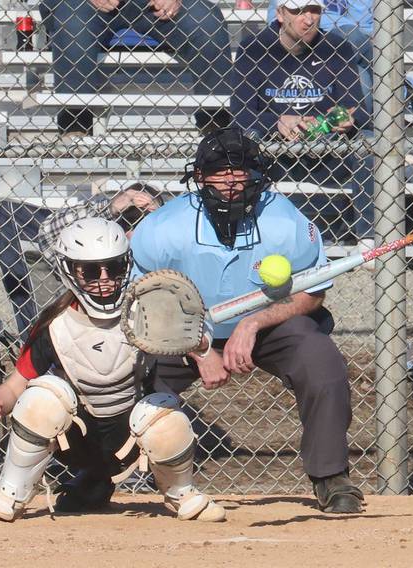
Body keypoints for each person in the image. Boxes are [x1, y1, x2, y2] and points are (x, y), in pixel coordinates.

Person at [129, 127, 365, 514]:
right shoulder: (162, 229)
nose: (232, 181)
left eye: (241, 171)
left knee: (320, 357)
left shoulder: (287, 222)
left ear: (259, 176)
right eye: (220, 172)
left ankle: (331, 477)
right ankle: (112, 470)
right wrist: (201, 349)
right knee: (128, 368)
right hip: (183, 329)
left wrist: (252, 324)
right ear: (199, 178)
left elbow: (313, 291)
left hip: (266, 326)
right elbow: (148, 300)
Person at [0, 217, 225, 522]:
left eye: (113, 268)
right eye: (90, 271)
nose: (104, 279)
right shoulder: (56, 324)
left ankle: (181, 495)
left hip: (131, 440)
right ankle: (9, 495)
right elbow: (15, 385)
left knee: (161, 410)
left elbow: (193, 342)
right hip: (78, 442)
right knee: (45, 396)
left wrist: (203, 350)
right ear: (69, 271)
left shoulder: (146, 313)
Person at [230, 0, 374, 244]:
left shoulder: (337, 47)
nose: (308, 20)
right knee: (237, 144)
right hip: (273, 151)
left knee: (370, 144)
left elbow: (358, 110)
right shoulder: (254, 47)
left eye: (315, 11)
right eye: (298, 12)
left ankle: (369, 239)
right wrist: (277, 121)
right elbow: (240, 115)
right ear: (280, 14)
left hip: (328, 150)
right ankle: (241, 236)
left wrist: (348, 119)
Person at [37, 0, 232, 136]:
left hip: (154, 5)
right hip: (86, 5)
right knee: (73, 25)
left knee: (208, 26)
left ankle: (215, 122)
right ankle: (75, 123)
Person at [36, 183, 164, 269]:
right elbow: (47, 234)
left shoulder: (167, 265)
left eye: (145, 222)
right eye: (128, 221)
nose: (133, 232)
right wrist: (110, 209)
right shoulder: (92, 269)